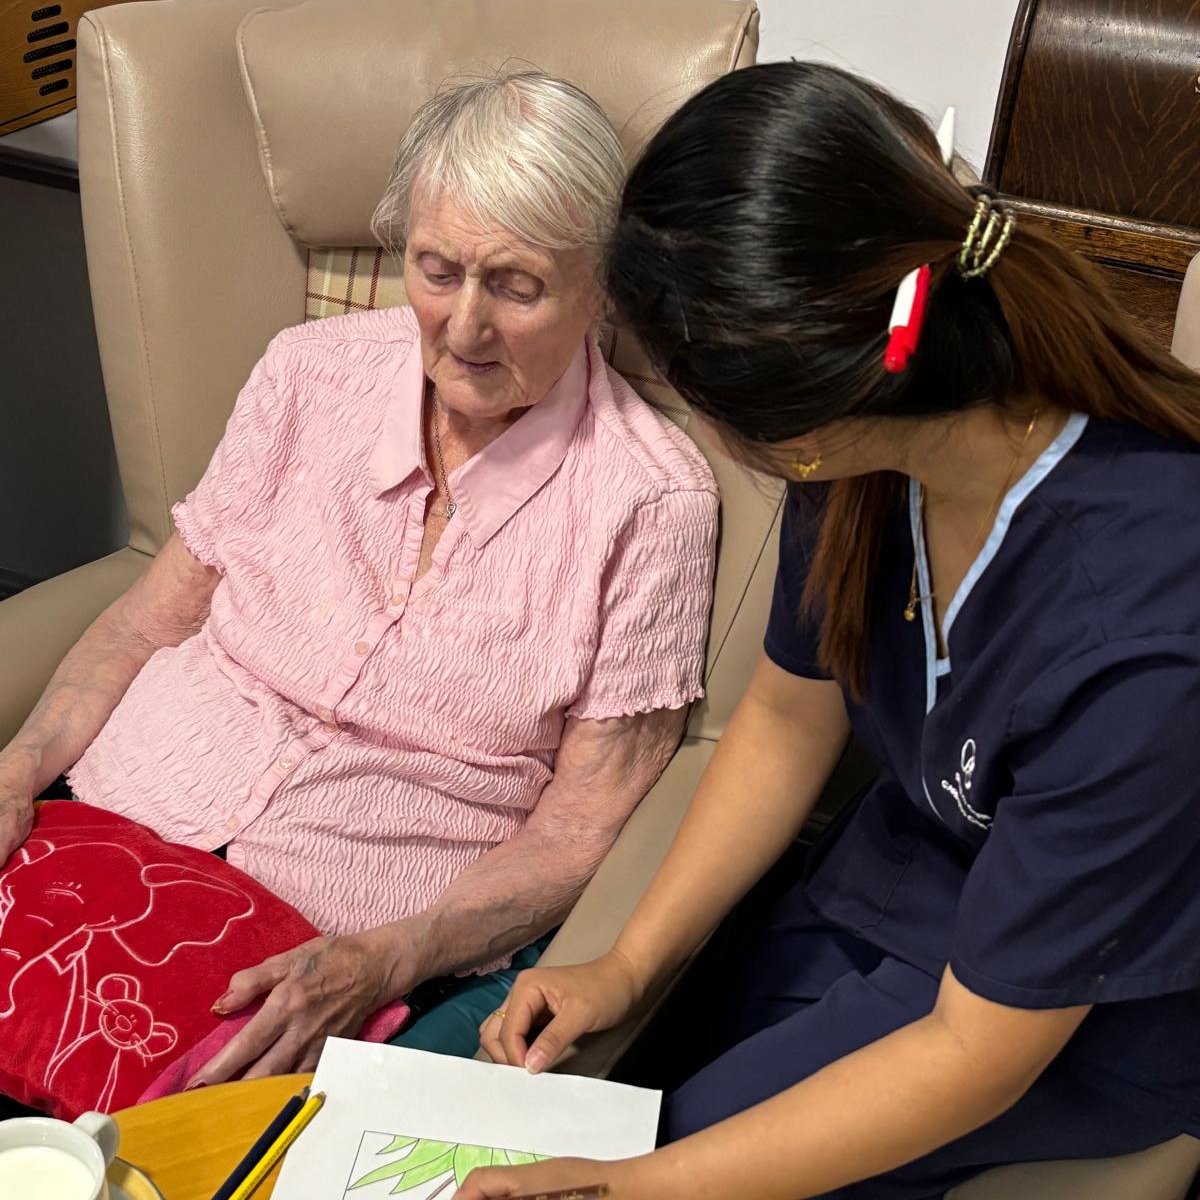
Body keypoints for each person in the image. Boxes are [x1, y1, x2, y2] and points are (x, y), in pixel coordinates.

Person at [462, 62, 1200, 1200]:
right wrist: (630, 962)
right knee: (659, 1080)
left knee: (666, 1153)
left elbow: (974, 1053)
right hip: (894, 892)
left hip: (1080, 1008)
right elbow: (788, 712)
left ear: (791, 432)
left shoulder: (1143, 637)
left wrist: (643, 1188)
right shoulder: (872, 429)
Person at [0, 71, 718, 1082]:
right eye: (437, 269)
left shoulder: (650, 503)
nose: (464, 327)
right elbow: (143, 624)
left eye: (515, 286)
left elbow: (578, 828)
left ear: (603, 283)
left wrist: (389, 956)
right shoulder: (306, 373)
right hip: (114, 824)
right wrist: (18, 769)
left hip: (352, 939)